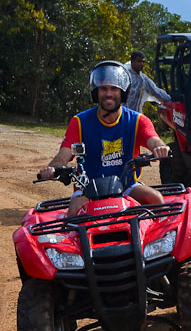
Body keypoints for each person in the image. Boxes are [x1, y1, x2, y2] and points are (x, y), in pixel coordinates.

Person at [40, 60, 171, 217]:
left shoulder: (137, 121)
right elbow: (64, 155)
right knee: (74, 210)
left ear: (123, 92)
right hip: (87, 188)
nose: (109, 93)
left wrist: (160, 148)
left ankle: (156, 242)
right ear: (96, 92)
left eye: (114, 89)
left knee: (155, 199)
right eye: (103, 89)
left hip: (126, 185)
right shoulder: (80, 122)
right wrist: (52, 169)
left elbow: (154, 140)